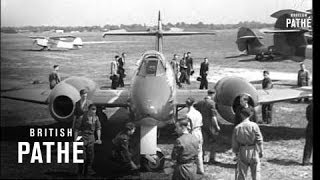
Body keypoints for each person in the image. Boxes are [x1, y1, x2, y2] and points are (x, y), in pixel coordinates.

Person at [232, 108, 263, 180]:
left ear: (241, 115)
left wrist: (236, 153)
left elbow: (235, 142)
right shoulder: (254, 126)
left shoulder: (237, 127)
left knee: (242, 173)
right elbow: (259, 140)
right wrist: (261, 151)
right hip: (253, 150)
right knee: (256, 173)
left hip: (242, 150)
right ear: (250, 115)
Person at [74, 104, 102, 177]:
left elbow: (98, 128)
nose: (94, 111)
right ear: (88, 109)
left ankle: (86, 172)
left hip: (91, 138)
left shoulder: (96, 118)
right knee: (82, 157)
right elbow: (76, 129)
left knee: (90, 157)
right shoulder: (82, 117)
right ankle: (80, 171)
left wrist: (99, 138)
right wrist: (75, 140)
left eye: (95, 109)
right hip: (82, 137)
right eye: (92, 109)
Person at [194, 90, 220, 164]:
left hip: (201, 125)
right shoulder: (212, 103)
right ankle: (211, 159)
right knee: (213, 142)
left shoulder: (200, 103)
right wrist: (217, 126)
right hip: (210, 126)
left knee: (202, 142)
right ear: (213, 95)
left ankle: (201, 158)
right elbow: (213, 117)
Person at [185, 97, 204, 175]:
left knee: (191, 151)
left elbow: (188, 127)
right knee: (199, 151)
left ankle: (191, 168)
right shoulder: (198, 113)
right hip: (199, 131)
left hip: (192, 132)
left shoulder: (188, 115)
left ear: (186, 104)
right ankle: (200, 169)